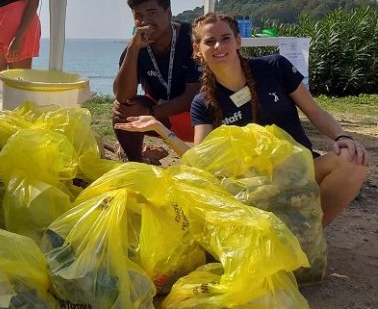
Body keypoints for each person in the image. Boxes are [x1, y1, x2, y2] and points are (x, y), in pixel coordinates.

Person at [115, 12, 369, 226]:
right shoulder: (203, 103)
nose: (218, 46)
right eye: (209, 41)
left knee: (352, 161)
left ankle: (308, 231)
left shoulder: (274, 68)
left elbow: (314, 111)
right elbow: (199, 161)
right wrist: (160, 127)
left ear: (237, 41)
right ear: (198, 49)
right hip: (254, 190)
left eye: (225, 38)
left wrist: (342, 136)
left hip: (300, 172)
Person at [111, 0, 200, 163]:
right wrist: (133, 50)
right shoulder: (137, 45)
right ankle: (136, 163)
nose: (145, 22)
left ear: (168, 13)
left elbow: (194, 96)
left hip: (199, 117)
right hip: (161, 114)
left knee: (208, 105)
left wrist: (153, 111)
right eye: (139, 15)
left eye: (152, 13)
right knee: (123, 110)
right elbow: (123, 95)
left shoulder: (191, 39)